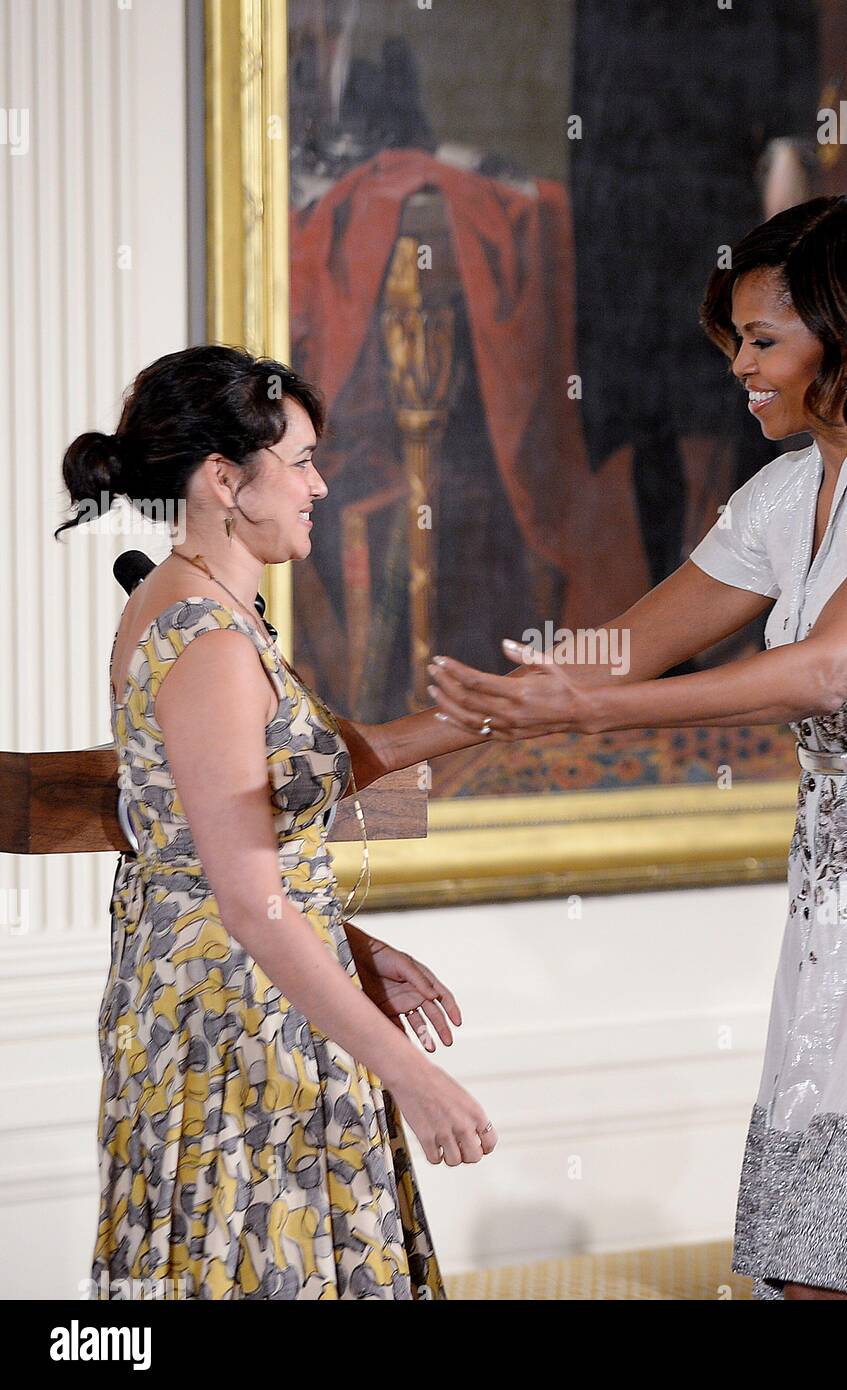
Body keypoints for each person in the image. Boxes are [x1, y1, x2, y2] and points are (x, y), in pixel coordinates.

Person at [415, 195, 847, 1301]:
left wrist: (591, 713)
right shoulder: (790, 491)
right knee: (819, 1259)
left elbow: (835, 665)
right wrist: (405, 735)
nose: (739, 365)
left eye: (762, 339)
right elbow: (619, 648)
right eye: (737, 339)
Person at [56, 345, 497, 1301]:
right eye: (298, 461)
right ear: (225, 480)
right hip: (233, 1021)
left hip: (242, 994)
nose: (319, 485)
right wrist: (412, 1078)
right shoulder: (206, 639)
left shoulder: (206, 606)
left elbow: (232, 841)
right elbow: (249, 904)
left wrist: (351, 942)